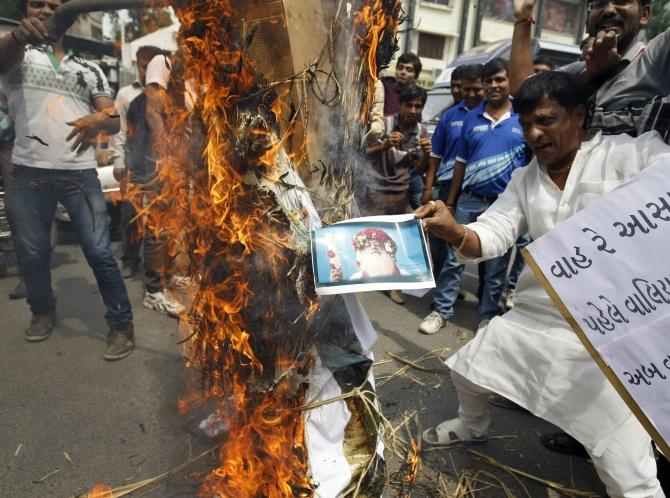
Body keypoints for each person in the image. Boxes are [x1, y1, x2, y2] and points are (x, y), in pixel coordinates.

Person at [418, 71, 668, 498]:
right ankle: (472, 426)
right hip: (539, 314)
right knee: (470, 367)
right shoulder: (524, 180)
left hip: (614, 331)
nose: (534, 133)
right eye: (526, 124)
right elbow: (493, 233)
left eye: (546, 121)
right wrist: (454, 231)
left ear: (578, 117)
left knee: (623, 466)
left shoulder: (630, 155)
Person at [0, 0, 134, 360]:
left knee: (99, 252)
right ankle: (42, 311)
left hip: (80, 174)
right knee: (32, 255)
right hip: (29, 173)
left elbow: (113, 119)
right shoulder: (16, 54)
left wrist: (99, 120)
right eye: (37, 4)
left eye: (55, 5)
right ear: (26, 12)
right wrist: (15, 38)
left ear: (69, 16)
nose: (46, 11)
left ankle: (121, 325)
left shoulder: (89, 68)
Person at [418, 58, 528, 335]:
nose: (493, 85)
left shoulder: (522, 118)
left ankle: (487, 317)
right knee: (455, 260)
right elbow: (460, 164)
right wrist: (452, 202)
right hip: (469, 200)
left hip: (505, 205)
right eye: (489, 81)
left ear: (509, 81)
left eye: (499, 79)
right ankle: (441, 311)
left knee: (495, 268)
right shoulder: (471, 118)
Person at [123, 53, 186, 318]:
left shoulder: (174, 84)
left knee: (170, 227)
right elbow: (152, 113)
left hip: (163, 169)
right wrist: (168, 157)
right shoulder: (162, 64)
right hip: (153, 170)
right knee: (157, 230)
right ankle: (153, 292)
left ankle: (168, 276)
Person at [364, 84, 431, 304]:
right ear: (400, 105)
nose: (413, 110)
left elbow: (419, 171)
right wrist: (384, 146)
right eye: (409, 105)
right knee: (370, 238)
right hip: (377, 191)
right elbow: (364, 154)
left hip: (401, 192)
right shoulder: (384, 124)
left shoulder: (421, 131)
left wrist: (426, 155)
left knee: (400, 241)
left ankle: (394, 285)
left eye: (418, 106)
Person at [422, 64, 485, 285]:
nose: (462, 92)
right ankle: (439, 287)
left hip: (472, 190)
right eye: (457, 87)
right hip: (448, 186)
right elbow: (435, 155)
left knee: (475, 243)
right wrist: (428, 187)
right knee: (442, 242)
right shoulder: (449, 116)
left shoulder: (489, 116)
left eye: (467, 87)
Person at [110, 45, 164, 278]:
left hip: (158, 167)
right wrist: (118, 160)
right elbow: (118, 130)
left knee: (157, 222)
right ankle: (130, 258)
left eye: (151, 64)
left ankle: (159, 269)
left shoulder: (165, 92)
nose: (146, 70)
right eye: (143, 64)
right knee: (129, 216)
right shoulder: (125, 94)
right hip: (133, 165)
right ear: (138, 65)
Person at [381, 52, 422, 116]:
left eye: (409, 70)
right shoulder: (384, 87)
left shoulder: (418, 98)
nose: (403, 72)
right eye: (400, 68)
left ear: (416, 77)